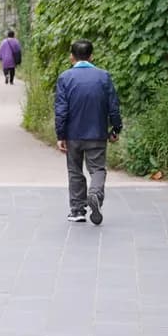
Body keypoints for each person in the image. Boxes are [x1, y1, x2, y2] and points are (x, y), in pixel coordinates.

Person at [53, 38, 122, 224]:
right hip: (97, 132)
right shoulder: (103, 76)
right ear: (91, 56)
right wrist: (116, 128)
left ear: (71, 57)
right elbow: (113, 106)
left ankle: (77, 210)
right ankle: (95, 194)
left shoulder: (65, 78)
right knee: (98, 169)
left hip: (73, 134)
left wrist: (60, 135)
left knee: (75, 170)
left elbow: (61, 109)